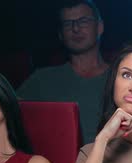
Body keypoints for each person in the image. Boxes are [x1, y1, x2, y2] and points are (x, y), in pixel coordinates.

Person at [18, 0, 109, 144]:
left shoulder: (121, 78)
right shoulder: (41, 80)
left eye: (83, 21)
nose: (76, 28)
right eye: (68, 24)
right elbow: (8, 118)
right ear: (60, 34)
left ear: (99, 27)